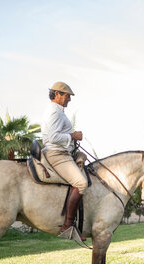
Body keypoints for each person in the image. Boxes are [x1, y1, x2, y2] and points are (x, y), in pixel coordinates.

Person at [42, 81, 87, 241]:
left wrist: (72, 136)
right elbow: (53, 137)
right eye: (67, 96)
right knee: (81, 183)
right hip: (57, 154)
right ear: (57, 94)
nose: (69, 99)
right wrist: (72, 136)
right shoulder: (55, 112)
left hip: (63, 152)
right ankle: (67, 226)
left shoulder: (58, 112)